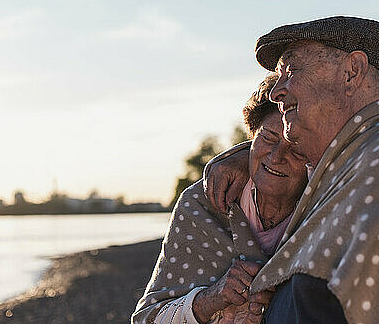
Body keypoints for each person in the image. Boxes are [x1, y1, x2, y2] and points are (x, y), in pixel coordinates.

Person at [204, 16, 379, 323]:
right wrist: (247, 158)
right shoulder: (365, 158)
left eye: (291, 70)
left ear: (352, 72)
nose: (276, 92)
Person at [131, 74, 309, 324]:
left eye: (296, 147)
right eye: (268, 137)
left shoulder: (323, 206)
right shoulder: (201, 205)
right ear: (252, 137)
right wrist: (211, 298)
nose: (276, 156)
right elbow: (146, 319)